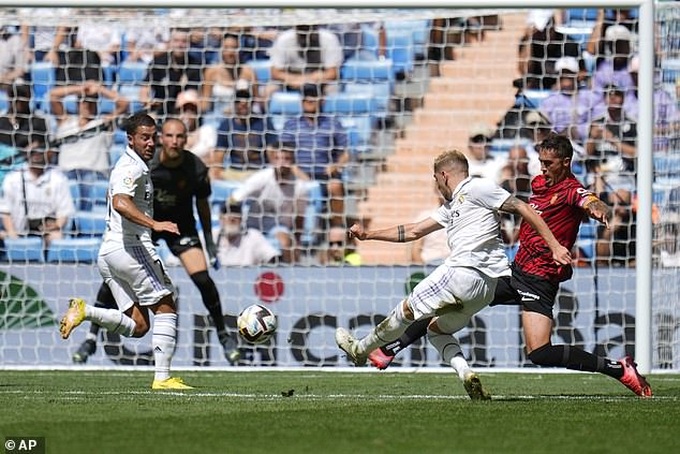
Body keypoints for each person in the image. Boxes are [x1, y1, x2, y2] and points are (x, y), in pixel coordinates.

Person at [365, 134, 652, 398]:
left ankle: (618, 369)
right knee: (447, 300)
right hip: (513, 272)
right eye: (541, 162)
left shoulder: (570, 190)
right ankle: (390, 349)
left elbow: (587, 199)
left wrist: (597, 207)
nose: (543, 168)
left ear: (566, 163)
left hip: (540, 279)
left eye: (549, 163)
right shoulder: (539, 184)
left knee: (539, 352)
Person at [335, 148, 572, 400]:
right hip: (485, 289)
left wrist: (555, 246)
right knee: (437, 330)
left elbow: (522, 207)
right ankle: (466, 374)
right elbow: (414, 231)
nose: (437, 185)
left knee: (406, 310)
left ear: (444, 175)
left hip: (463, 271)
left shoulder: (478, 188)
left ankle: (360, 350)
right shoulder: (453, 206)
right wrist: (369, 235)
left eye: (436, 179)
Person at [71, 118, 241, 365]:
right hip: (146, 226)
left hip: (180, 227)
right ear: (162, 138)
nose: (174, 141)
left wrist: (209, 243)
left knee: (203, 279)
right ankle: (90, 338)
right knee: (115, 277)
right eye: (169, 136)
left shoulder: (196, 168)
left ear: (186, 139)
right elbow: (121, 197)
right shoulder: (145, 163)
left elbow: (203, 208)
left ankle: (224, 336)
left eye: (180, 137)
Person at [59, 112, 193, 390]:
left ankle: (86, 311)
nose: (151, 142)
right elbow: (121, 202)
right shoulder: (130, 167)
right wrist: (155, 224)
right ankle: (163, 378)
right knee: (167, 302)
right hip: (129, 247)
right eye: (145, 137)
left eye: (153, 137)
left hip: (108, 253)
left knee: (139, 325)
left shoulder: (135, 165)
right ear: (130, 139)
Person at [49, 80, 130, 210]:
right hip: (67, 173)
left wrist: (99, 89)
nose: (87, 105)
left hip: (93, 174)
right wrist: (81, 88)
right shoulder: (65, 122)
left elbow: (124, 103)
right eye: (83, 101)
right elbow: (53, 95)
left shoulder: (103, 124)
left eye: (92, 102)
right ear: (77, 104)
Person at [279, 83, 349, 229]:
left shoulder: (333, 123)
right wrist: (298, 173)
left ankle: (337, 228)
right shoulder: (291, 125)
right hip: (298, 174)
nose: (309, 101)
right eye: (306, 98)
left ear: (321, 100)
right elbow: (284, 155)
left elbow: (346, 154)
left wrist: (335, 166)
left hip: (325, 174)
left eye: (313, 98)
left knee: (335, 186)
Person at [228, 142, 309, 264]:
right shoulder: (260, 178)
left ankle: (290, 272)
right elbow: (234, 199)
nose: (282, 163)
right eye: (278, 158)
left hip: (278, 226)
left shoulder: (300, 187)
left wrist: (297, 243)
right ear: (272, 161)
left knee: (286, 242)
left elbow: (299, 218)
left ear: (293, 162)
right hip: (252, 226)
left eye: (286, 159)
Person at [0, 141, 75, 250]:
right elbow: (5, 211)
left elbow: (64, 212)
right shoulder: (12, 178)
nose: (37, 155)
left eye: (40, 151)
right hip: (18, 229)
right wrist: (12, 233)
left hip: (46, 229)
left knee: (57, 237)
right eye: (33, 152)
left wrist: (57, 225)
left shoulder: (58, 179)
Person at [216, 201, 280, 266]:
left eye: (236, 213)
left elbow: (272, 256)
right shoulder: (213, 237)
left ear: (241, 218)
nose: (232, 218)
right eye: (227, 213)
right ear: (221, 218)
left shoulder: (252, 236)